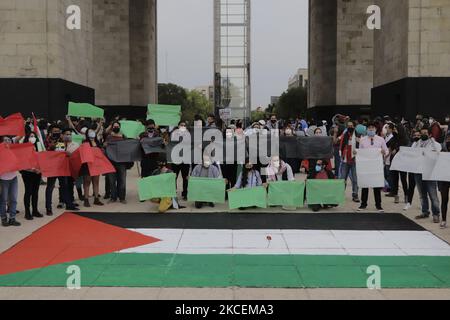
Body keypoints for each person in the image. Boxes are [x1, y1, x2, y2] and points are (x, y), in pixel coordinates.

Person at [412, 127, 442, 223]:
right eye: (422, 133)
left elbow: (438, 153)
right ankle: (425, 211)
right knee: (422, 194)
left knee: (432, 194)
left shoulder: (435, 144)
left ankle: (436, 213)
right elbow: (411, 153)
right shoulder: (416, 143)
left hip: (430, 172)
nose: (423, 134)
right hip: (418, 171)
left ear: (429, 134)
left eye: (426, 133)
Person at [357, 123, 389, 213]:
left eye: (372, 128)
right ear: (366, 130)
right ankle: (363, 204)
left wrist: (384, 152)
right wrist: (357, 153)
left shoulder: (381, 139)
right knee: (365, 185)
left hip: (376, 166)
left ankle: (378, 205)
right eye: (369, 128)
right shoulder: (362, 140)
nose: (371, 130)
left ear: (375, 129)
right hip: (366, 166)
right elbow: (360, 152)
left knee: (377, 185)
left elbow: (386, 151)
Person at [20, 132, 43, 220]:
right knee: (28, 192)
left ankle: (35, 210)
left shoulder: (38, 146)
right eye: (30, 136)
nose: (32, 138)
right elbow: (22, 162)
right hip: (27, 173)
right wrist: (32, 169)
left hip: (37, 173)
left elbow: (42, 158)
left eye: (33, 136)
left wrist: (40, 169)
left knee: (35, 192)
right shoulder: (23, 148)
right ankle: (27, 212)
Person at [104, 122, 128, 204]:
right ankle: (113, 197)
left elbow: (128, 147)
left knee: (122, 181)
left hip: (121, 162)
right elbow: (104, 146)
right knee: (112, 181)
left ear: (120, 127)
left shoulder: (124, 137)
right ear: (112, 127)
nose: (116, 127)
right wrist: (105, 145)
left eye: (117, 126)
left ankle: (122, 198)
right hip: (111, 162)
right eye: (114, 126)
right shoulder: (109, 137)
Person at [81, 128, 104, 208]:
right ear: (87, 134)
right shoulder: (85, 142)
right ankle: (86, 199)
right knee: (87, 181)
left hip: (96, 164)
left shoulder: (98, 142)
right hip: (87, 164)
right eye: (90, 132)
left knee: (96, 181)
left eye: (93, 131)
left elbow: (101, 151)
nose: (92, 133)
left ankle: (96, 198)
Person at [0, 136, 21, 227]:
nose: (7, 141)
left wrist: (21, 123)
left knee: (13, 199)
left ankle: (12, 218)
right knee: (3, 200)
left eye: (9, 140)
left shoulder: (12, 149)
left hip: (13, 178)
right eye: (5, 140)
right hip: (3, 179)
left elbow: (19, 136)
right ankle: (4, 218)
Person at [339, 121, 360, 203]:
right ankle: (340, 194)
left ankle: (355, 194)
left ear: (354, 126)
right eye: (348, 126)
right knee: (343, 178)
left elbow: (361, 146)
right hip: (345, 160)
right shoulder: (344, 135)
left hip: (355, 160)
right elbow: (340, 144)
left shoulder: (358, 135)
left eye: (351, 125)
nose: (350, 127)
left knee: (355, 179)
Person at [438, 134, 450, 228]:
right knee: (444, 199)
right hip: (444, 178)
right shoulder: (441, 148)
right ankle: (444, 220)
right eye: (448, 139)